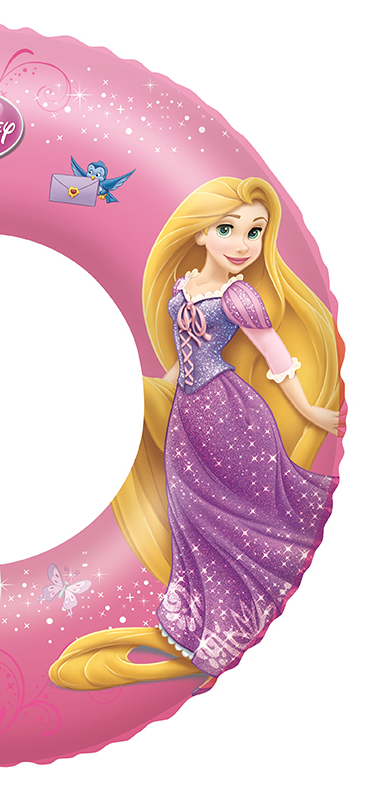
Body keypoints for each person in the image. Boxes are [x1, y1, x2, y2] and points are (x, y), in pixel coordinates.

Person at [49, 177, 343, 692]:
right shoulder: (184, 286)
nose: (242, 244)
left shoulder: (240, 295)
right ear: (201, 233)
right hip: (188, 413)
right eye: (227, 229)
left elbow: (275, 355)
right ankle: (200, 619)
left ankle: (234, 624)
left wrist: (308, 410)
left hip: (230, 414)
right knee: (190, 514)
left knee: (229, 516)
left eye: (255, 232)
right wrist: (156, 394)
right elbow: (184, 354)